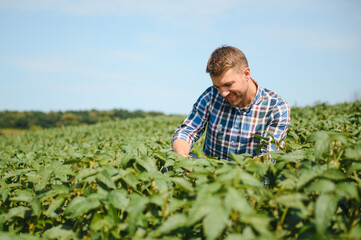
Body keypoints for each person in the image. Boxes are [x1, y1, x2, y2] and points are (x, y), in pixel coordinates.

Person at [172, 46, 290, 160]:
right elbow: (187, 131)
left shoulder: (276, 108)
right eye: (218, 87)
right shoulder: (212, 95)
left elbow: (268, 158)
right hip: (210, 174)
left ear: (246, 74)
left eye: (228, 85)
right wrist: (181, 155)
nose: (223, 93)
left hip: (248, 177)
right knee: (172, 162)